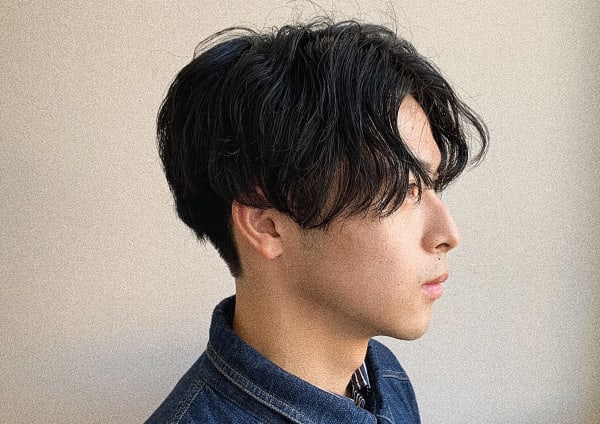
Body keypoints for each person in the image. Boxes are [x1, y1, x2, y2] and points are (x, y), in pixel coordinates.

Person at [146, 18, 488, 424]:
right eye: (403, 192)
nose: (448, 235)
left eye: (432, 186)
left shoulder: (384, 377)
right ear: (267, 226)